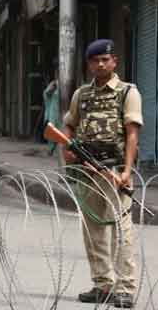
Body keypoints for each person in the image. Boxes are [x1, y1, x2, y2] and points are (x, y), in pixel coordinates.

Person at [63, 39, 142, 308]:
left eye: (105, 59)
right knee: (93, 229)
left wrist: (127, 171)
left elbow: (132, 133)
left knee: (122, 229)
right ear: (89, 64)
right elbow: (70, 127)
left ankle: (125, 288)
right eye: (95, 60)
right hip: (87, 171)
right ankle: (102, 284)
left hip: (115, 169)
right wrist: (68, 151)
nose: (100, 64)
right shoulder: (81, 95)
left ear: (114, 62)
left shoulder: (128, 92)